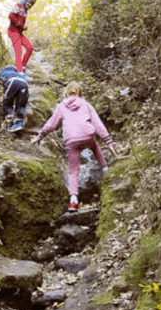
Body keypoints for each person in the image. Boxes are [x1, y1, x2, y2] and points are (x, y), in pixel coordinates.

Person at [34, 81, 115, 212]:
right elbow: (97, 123)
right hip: (87, 136)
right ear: (80, 93)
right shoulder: (85, 104)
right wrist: (108, 141)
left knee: (73, 170)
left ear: (66, 93)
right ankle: (106, 169)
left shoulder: (61, 106)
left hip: (71, 140)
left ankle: (73, 201)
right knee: (95, 147)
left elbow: (51, 124)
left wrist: (40, 136)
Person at [6, 0, 37, 73]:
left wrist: (24, 27)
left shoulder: (25, 11)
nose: (29, 5)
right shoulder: (19, 5)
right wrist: (21, 25)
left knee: (30, 47)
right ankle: (19, 70)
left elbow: (21, 23)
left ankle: (22, 66)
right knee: (18, 49)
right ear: (25, 0)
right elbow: (11, 16)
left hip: (19, 33)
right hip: (13, 31)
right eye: (29, 3)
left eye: (31, 4)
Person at [0, 66, 29, 133]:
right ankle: (19, 124)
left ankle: (12, 118)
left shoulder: (2, 72)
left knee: (6, 105)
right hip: (25, 84)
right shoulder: (18, 73)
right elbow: (23, 69)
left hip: (13, 81)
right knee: (20, 106)